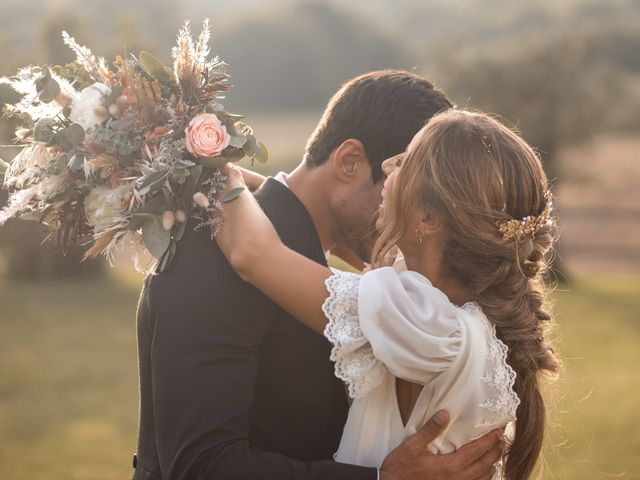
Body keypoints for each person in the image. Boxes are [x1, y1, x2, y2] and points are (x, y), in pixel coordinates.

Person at [133, 70, 504, 480]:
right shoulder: (210, 253)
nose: (402, 223)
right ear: (348, 163)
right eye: (400, 191)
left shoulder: (337, 274)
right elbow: (201, 467)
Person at [212, 109, 561, 480]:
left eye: (405, 160)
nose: (389, 166)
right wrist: (275, 190)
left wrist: (209, 163)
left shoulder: (424, 323)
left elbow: (252, 254)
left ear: (428, 220)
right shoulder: (445, 304)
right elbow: (331, 230)